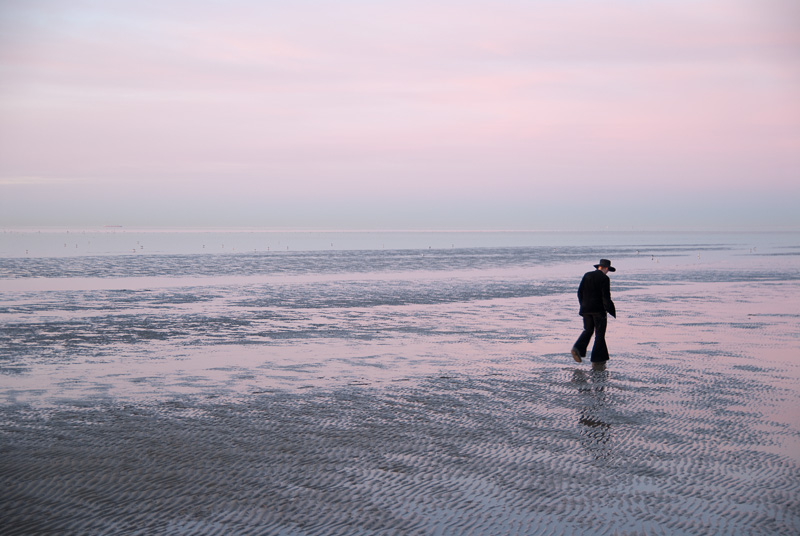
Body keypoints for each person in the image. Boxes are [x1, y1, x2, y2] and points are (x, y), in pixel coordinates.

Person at [571, 259, 616, 364]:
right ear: (605, 268)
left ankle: (577, 348)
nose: (607, 272)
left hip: (585, 309)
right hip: (598, 311)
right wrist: (609, 309)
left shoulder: (587, 275)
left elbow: (579, 292)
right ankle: (598, 358)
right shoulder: (604, 278)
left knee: (588, 330)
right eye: (608, 270)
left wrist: (583, 305)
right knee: (599, 334)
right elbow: (605, 297)